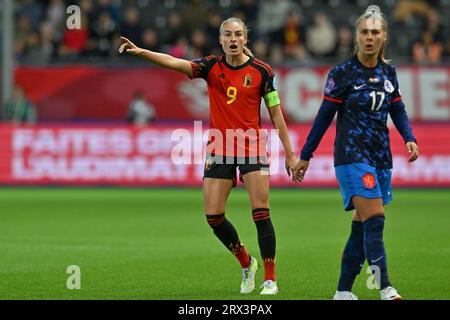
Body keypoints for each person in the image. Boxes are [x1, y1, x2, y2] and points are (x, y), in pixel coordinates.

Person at [119, 17, 299, 295]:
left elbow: (275, 113)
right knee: (214, 217)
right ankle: (246, 262)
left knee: (260, 212)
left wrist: (289, 153)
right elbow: (175, 63)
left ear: (245, 39)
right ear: (221, 39)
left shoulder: (262, 71)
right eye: (228, 35)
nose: (233, 39)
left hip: (251, 146)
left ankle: (270, 279)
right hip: (220, 147)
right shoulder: (211, 66)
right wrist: (142, 52)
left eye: (238, 34)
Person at [292, 5, 419, 300]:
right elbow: (324, 116)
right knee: (375, 217)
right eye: (365, 32)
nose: (370, 37)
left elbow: (397, 108)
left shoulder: (389, 72)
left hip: (381, 157)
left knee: (362, 228)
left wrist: (409, 137)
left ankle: (343, 292)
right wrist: (306, 155)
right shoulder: (342, 73)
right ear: (356, 36)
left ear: (384, 36)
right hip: (351, 156)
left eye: (375, 32)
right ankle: (385, 286)